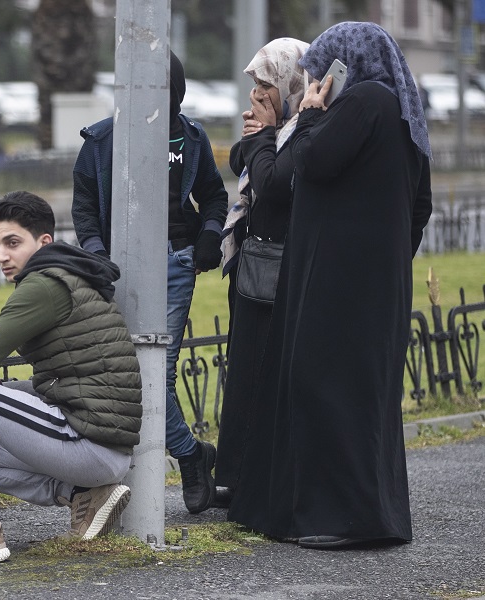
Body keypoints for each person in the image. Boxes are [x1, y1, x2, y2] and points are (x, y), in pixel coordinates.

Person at [227, 22, 433, 549]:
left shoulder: (364, 101)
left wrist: (311, 114)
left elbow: (314, 162)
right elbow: (419, 207)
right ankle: (330, 514)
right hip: (360, 279)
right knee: (343, 392)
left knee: (332, 389)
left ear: (348, 64)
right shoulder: (395, 111)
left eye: (321, 70)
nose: (316, 81)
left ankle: (349, 519)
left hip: (344, 284)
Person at [0, 191, 142, 566]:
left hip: (91, 443)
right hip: (102, 453)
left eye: (13, 243)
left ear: (43, 242)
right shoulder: (66, 276)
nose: (2, 255)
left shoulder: (43, 286)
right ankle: (81, 494)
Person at [71, 51, 227, 513]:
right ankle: (192, 454)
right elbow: (84, 210)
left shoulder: (191, 137)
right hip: (118, 270)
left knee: (160, 368)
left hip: (177, 264)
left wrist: (211, 238)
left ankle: (186, 457)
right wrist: (98, 257)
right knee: (132, 371)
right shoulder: (102, 141)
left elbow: (215, 196)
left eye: (169, 96)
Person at [215, 38, 309, 506]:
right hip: (252, 265)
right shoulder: (281, 128)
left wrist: (264, 137)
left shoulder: (307, 129)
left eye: (266, 84)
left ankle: (254, 477)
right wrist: (258, 136)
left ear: (292, 82)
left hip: (281, 268)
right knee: (244, 372)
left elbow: (273, 185)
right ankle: (232, 474)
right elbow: (241, 159)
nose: (257, 94)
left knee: (266, 374)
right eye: (254, 84)